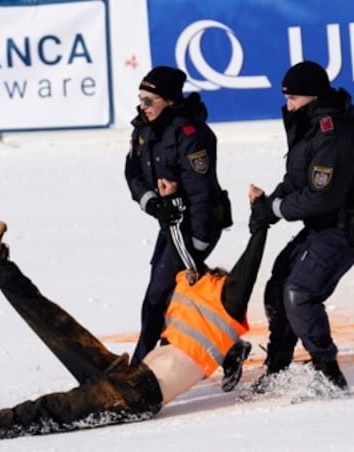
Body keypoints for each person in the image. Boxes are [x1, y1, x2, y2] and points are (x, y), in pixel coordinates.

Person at [0, 188, 269, 444]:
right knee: (55, 323)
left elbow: (245, 273)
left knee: (49, 412)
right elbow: (185, 252)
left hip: (136, 397)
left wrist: (259, 226)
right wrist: (176, 203)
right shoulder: (195, 289)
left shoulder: (227, 305)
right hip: (126, 372)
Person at [248, 61, 354, 392]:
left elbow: (321, 197)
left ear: (312, 97)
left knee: (300, 293)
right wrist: (268, 204)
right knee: (279, 282)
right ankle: (279, 366)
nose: (288, 106)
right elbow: (296, 180)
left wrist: (277, 208)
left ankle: (328, 374)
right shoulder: (309, 128)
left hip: (346, 228)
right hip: (323, 224)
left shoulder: (335, 134)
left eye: (293, 98)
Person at [124, 65, 232, 366]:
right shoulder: (143, 127)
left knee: (157, 297)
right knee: (170, 294)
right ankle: (230, 351)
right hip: (169, 223)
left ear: (170, 101)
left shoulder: (191, 134)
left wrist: (197, 243)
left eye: (149, 101)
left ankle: (138, 367)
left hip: (198, 224)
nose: (142, 106)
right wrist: (152, 202)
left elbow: (201, 193)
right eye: (141, 99)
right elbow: (132, 172)